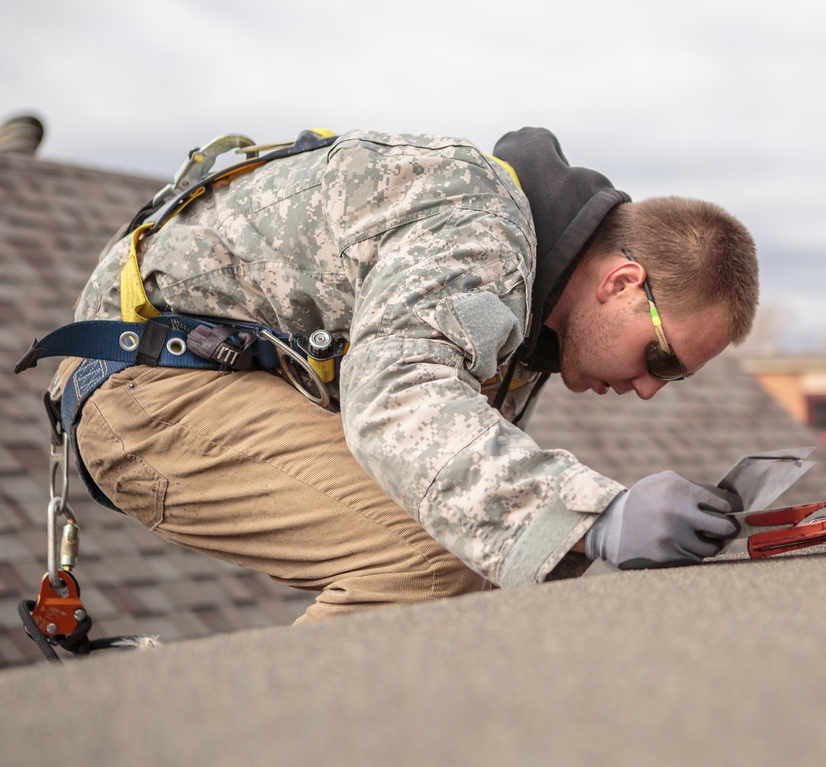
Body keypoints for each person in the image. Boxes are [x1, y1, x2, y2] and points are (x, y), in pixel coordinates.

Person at [38, 127, 760, 622]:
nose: (649, 388)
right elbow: (396, 402)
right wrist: (597, 516)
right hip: (145, 377)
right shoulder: (483, 222)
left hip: (195, 378)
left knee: (474, 543)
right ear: (623, 282)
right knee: (429, 558)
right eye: (660, 357)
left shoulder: (532, 315)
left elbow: (462, 482)